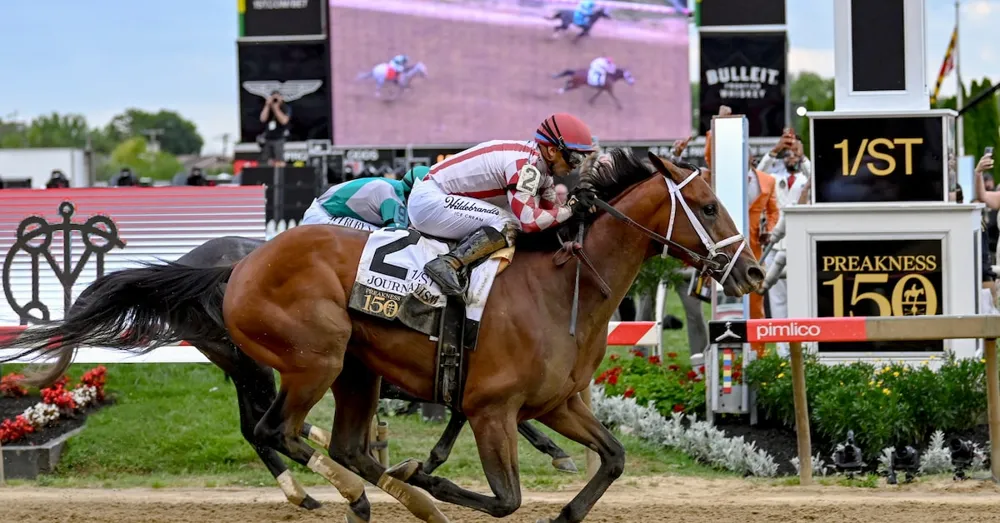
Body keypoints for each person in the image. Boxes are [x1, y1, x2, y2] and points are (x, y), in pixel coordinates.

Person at [408, 112, 596, 295]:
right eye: (574, 158)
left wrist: (576, 209)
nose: (575, 166)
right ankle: (449, 263)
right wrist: (570, 208)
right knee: (510, 223)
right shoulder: (527, 166)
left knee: (512, 221)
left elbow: (550, 217)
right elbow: (530, 222)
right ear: (552, 150)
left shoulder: (542, 172)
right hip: (429, 201)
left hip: (437, 199)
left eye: (581, 159)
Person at [301, 166, 429, 229]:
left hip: (325, 212)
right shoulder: (392, 198)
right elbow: (398, 236)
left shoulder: (395, 190)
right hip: (323, 217)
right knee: (376, 237)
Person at [746, 156, 780, 357]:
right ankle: (726, 353)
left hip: (755, 249)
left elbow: (773, 212)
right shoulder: (722, 178)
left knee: (755, 303)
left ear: (751, 158)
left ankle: (758, 354)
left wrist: (769, 229)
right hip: (727, 247)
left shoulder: (767, 180)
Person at [259, 90, 291, 167]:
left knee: (279, 161)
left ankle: (280, 176)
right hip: (268, 138)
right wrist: (267, 105)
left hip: (279, 138)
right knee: (265, 161)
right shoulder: (268, 108)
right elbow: (262, 119)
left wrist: (276, 108)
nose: (275, 100)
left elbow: (284, 121)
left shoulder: (285, 107)